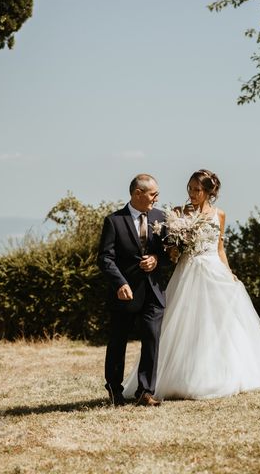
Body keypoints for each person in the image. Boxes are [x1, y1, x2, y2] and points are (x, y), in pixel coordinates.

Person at [123, 169, 260, 400]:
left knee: (219, 326)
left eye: (197, 190)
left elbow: (220, 249)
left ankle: (222, 375)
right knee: (183, 325)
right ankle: (173, 379)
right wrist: (174, 248)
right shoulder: (178, 213)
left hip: (213, 271)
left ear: (208, 192)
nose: (192, 193)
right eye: (189, 188)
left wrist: (230, 273)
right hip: (187, 272)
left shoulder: (220, 215)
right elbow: (171, 251)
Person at [97, 174, 169, 407]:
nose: (156, 199)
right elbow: (105, 258)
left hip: (153, 290)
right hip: (125, 293)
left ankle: (145, 391)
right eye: (153, 194)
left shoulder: (162, 217)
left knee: (151, 338)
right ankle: (114, 391)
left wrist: (157, 259)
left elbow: (171, 253)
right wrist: (120, 283)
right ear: (137, 193)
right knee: (118, 341)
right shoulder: (114, 221)